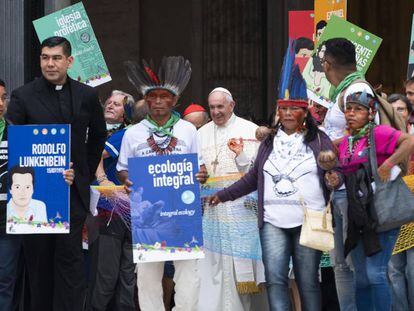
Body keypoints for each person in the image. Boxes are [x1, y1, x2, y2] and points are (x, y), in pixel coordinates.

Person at [208, 68, 337, 311]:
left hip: (308, 222)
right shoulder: (268, 142)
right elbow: (253, 177)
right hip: (272, 222)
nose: (287, 113)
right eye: (283, 109)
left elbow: (336, 173)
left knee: (307, 282)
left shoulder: (319, 140)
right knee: (275, 281)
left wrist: (333, 179)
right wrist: (223, 195)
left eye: (294, 108)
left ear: (304, 112)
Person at [6, 36, 106, 311]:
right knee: (38, 268)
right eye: (44, 57)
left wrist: (81, 171)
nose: (50, 63)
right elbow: (16, 144)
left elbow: (98, 136)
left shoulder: (86, 95)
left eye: (56, 58)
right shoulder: (22, 96)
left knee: (71, 268)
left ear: (69, 61)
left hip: (71, 197)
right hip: (33, 199)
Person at [119, 56, 207, 311]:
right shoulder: (133, 133)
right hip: (147, 215)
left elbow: (199, 167)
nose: (158, 102)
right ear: (146, 101)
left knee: (188, 275)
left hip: (183, 213)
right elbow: (123, 169)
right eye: (153, 97)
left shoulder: (188, 131)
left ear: (175, 100)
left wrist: (202, 175)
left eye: (164, 97)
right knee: (147, 276)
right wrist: (128, 181)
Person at [326, 91, 414, 311]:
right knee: (362, 277)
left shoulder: (379, 133)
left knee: (376, 273)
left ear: (371, 113)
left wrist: (389, 163)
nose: (351, 114)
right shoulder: (346, 142)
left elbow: (409, 141)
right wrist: (334, 178)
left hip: (383, 214)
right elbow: (341, 171)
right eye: (348, 109)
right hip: (358, 217)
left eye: (358, 109)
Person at [197, 87, 267, 311]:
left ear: (232, 105)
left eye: (220, 106)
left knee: (240, 268)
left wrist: (242, 156)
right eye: (212, 107)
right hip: (212, 210)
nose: (216, 112)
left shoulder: (250, 130)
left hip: (242, 210)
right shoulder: (200, 134)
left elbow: (259, 172)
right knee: (213, 267)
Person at [87, 90, 136, 311]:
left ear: (126, 113)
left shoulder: (125, 133)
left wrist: (102, 178)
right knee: (125, 273)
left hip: (114, 211)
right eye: (109, 102)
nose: (110, 105)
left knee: (108, 273)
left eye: (116, 104)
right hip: (117, 210)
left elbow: (96, 153)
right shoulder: (106, 131)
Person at [387, 93, 414, 310]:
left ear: (409, 113)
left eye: (402, 109)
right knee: (394, 270)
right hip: (391, 212)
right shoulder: (383, 140)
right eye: (393, 109)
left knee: (412, 270)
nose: (397, 113)